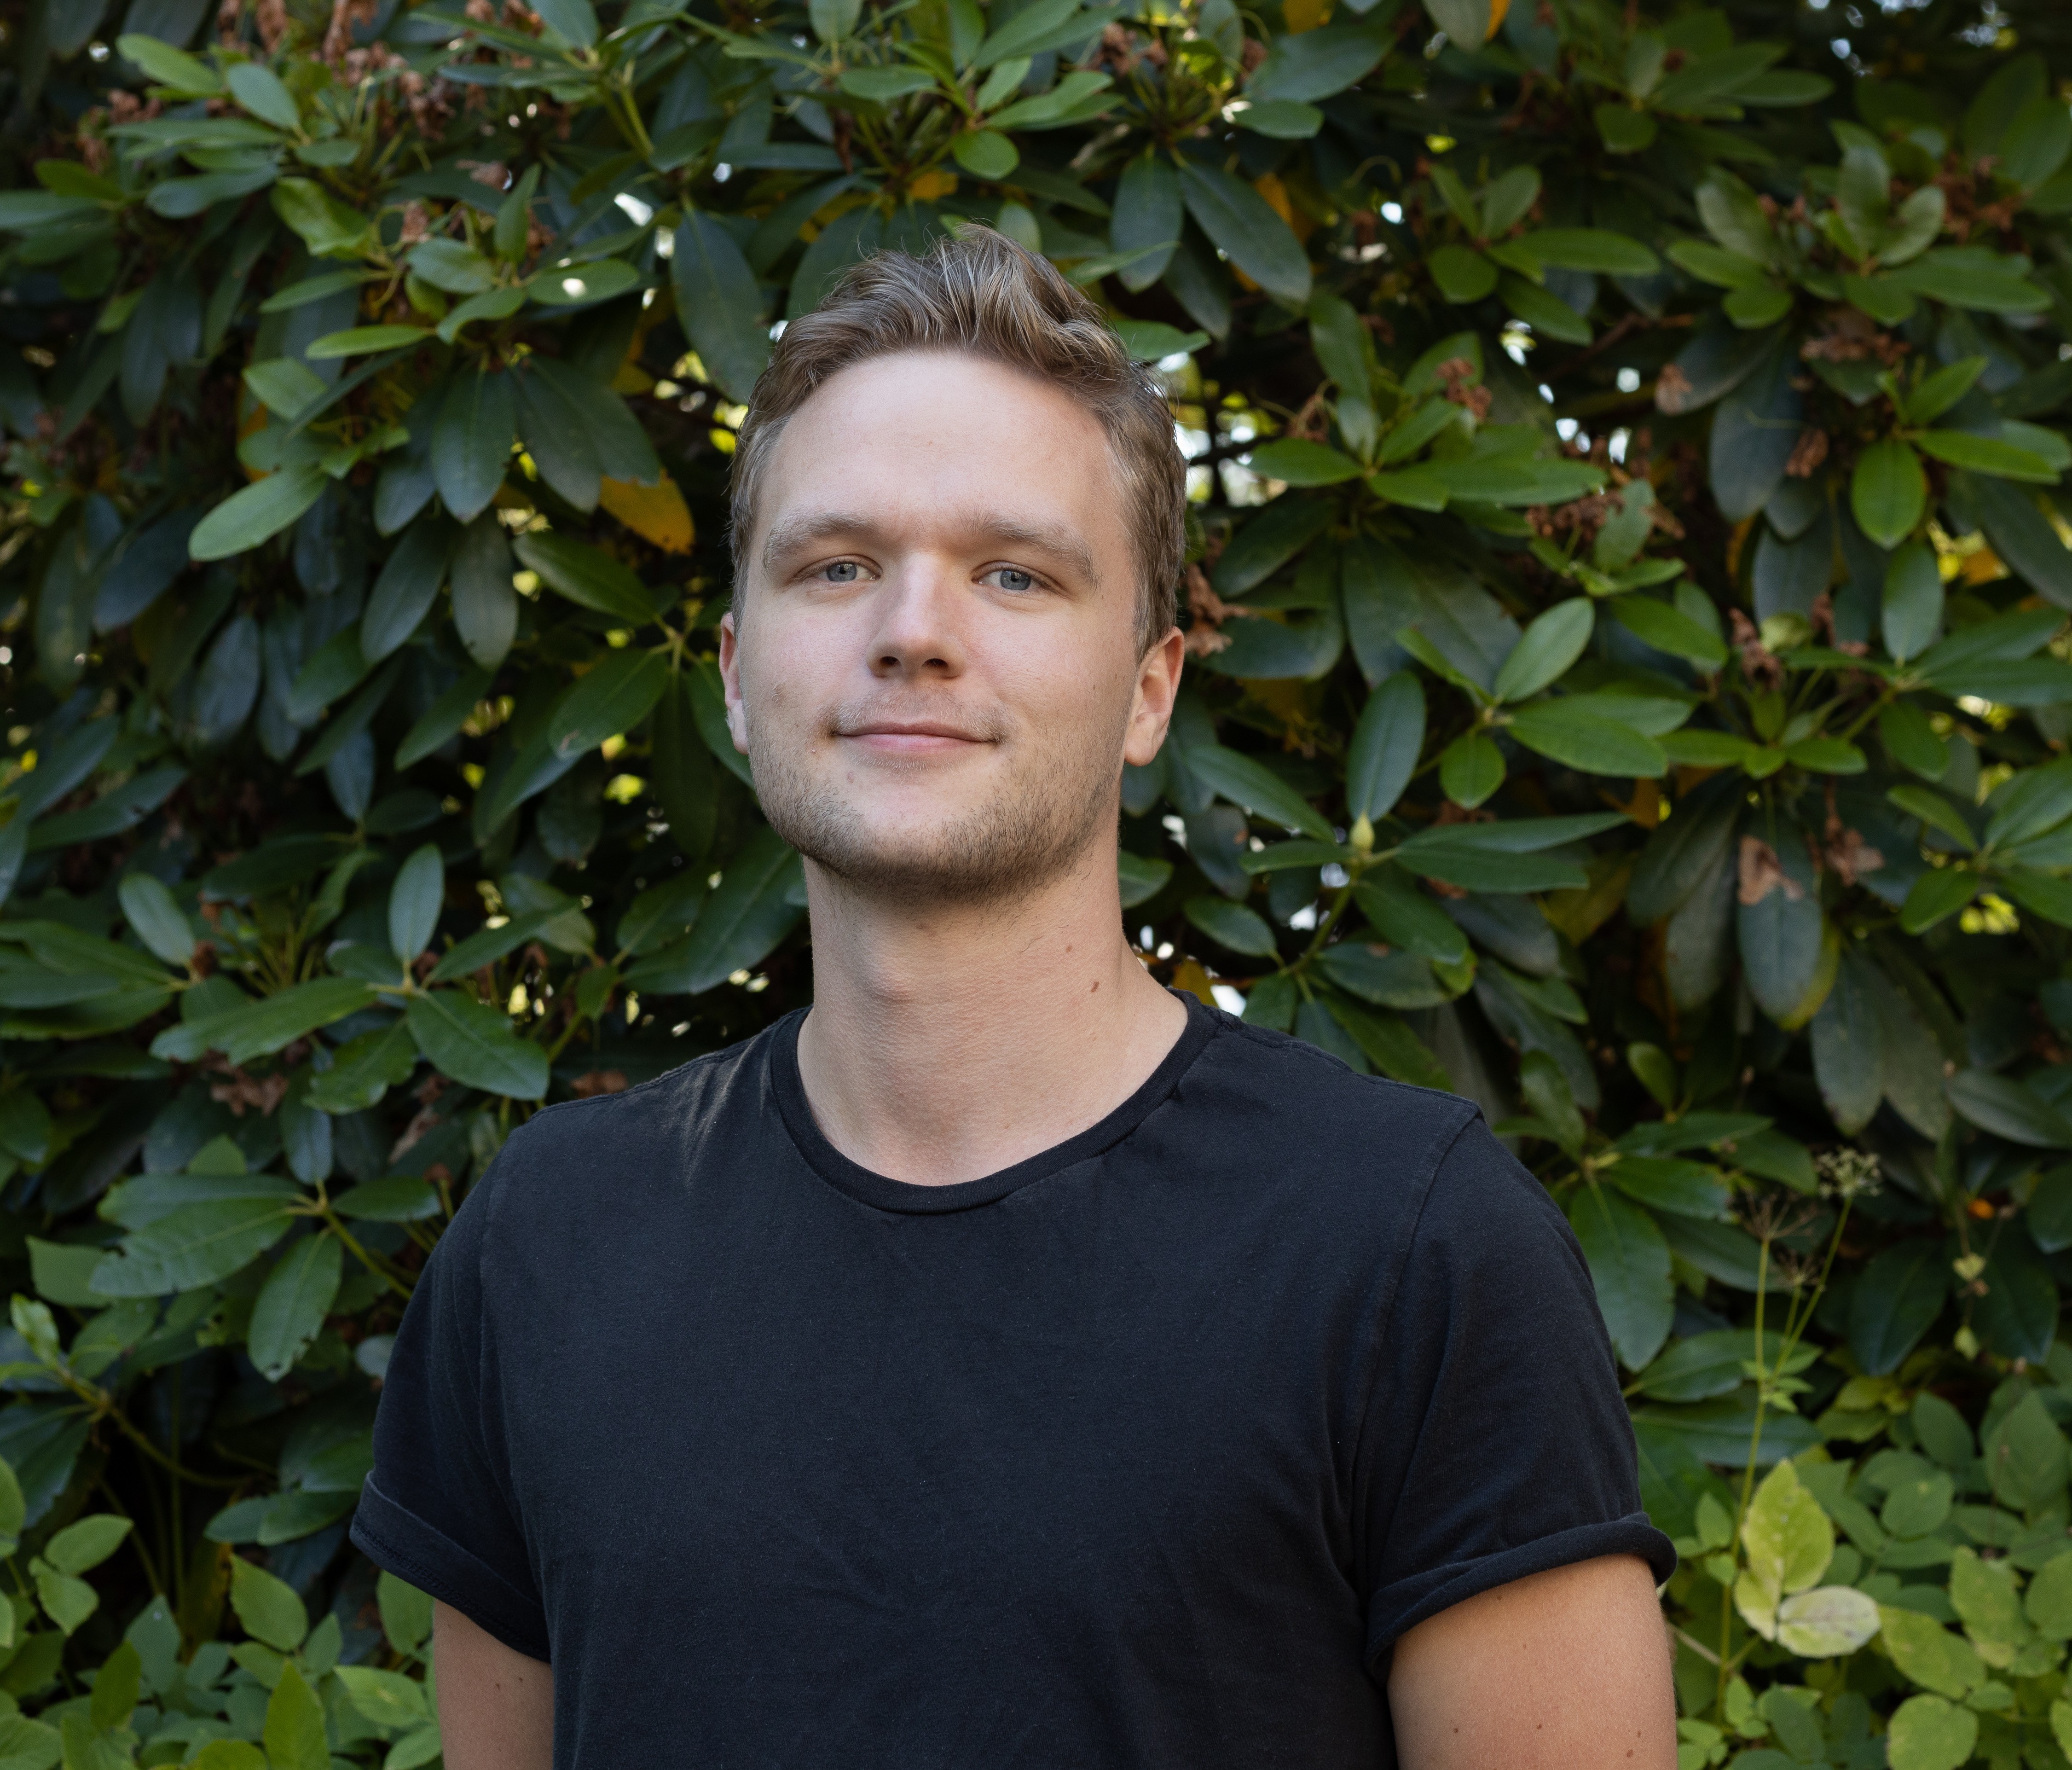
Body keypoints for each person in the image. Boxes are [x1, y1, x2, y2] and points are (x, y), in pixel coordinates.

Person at [352, 225, 1678, 1769]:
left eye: (1014, 573)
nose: (914, 630)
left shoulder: (1415, 1255)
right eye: (836, 565)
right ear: (732, 668)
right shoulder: (547, 1244)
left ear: (1150, 689)